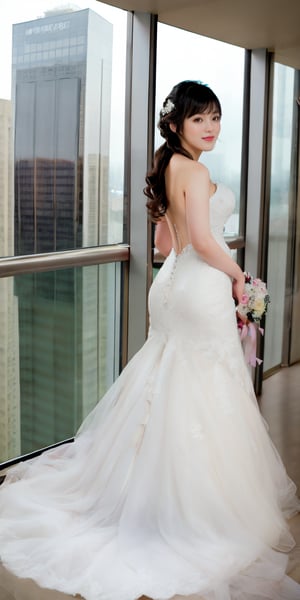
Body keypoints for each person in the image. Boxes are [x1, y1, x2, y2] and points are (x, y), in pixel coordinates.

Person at [0, 80, 300, 600]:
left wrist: (204, 264)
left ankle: (143, 494)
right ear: (177, 124)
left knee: (168, 380)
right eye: (200, 119)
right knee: (206, 387)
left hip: (171, 288)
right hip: (199, 287)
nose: (211, 128)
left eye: (215, 118)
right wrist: (240, 277)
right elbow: (204, 241)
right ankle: (189, 510)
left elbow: (166, 243)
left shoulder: (168, 169)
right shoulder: (198, 170)